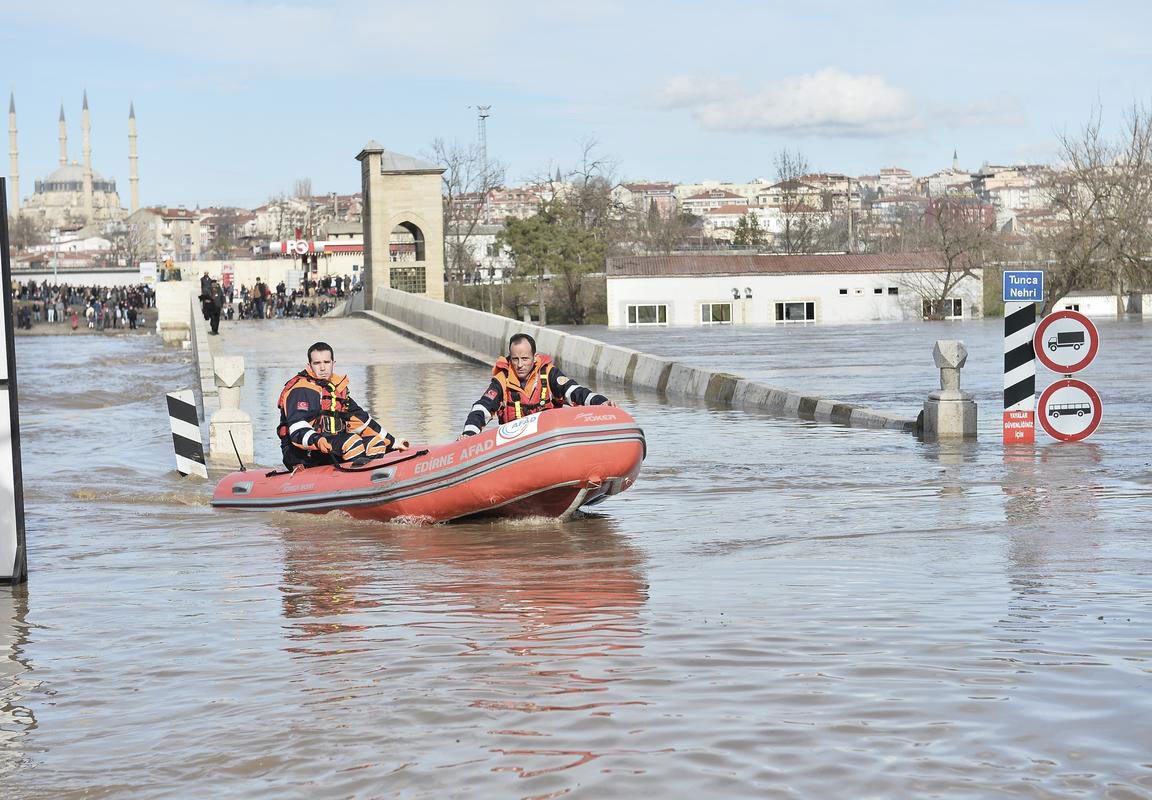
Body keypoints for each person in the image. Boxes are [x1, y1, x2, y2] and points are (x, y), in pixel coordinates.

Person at [277, 342, 408, 470]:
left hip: (332, 446)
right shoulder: (301, 390)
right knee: (352, 442)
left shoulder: (337, 389)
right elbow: (297, 428)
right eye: (317, 363)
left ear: (333, 364)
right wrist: (317, 440)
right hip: (305, 453)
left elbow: (362, 420)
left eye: (326, 362)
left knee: (375, 442)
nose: (322, 368)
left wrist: (392, 441)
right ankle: (356, 482)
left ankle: (372, 483)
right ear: (309, 365)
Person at [459, 333, 615, 438]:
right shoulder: (502, 380)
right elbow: (482, 408)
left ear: (534, 358)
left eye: (525, 359)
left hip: (548, 439)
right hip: (514, 445)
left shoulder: (548, 374)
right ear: (510, 359)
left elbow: (575, 392)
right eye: (515, 359)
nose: (520, 365)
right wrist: (469, 434)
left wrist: (601, 403)